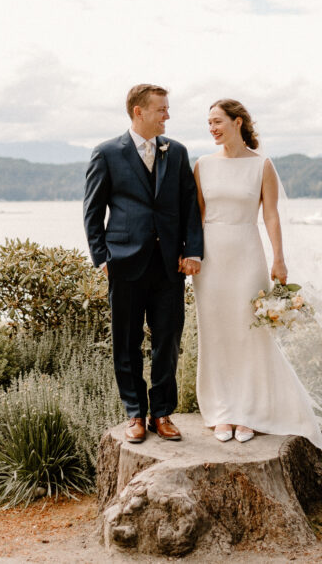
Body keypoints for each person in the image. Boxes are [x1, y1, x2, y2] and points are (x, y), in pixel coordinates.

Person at [192, 98, 322, 468]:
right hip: (211, 259)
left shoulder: (262, 165)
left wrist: (279, 257)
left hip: (247, 253)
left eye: (218, 121)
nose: (212, 128)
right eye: (209, 123)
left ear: (237, 122)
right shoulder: (202, 165)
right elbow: (197, 215)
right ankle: (222, 410)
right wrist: (191, 255)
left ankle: (249, 411)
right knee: (216, 332)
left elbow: (270, 215)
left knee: (249, 333)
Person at [83, 84, 204, 444]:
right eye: (161, 109)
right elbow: (93, 211)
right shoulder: (106, 153)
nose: (167, 115)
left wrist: (193, 250)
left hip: (170, 265)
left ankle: (162, 413)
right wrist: (101, 258)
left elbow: (189, 206)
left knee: (168, 341)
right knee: (126, 342)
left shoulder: (177, 152)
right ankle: (134, 414)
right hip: (124, 263)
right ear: (139, 111)